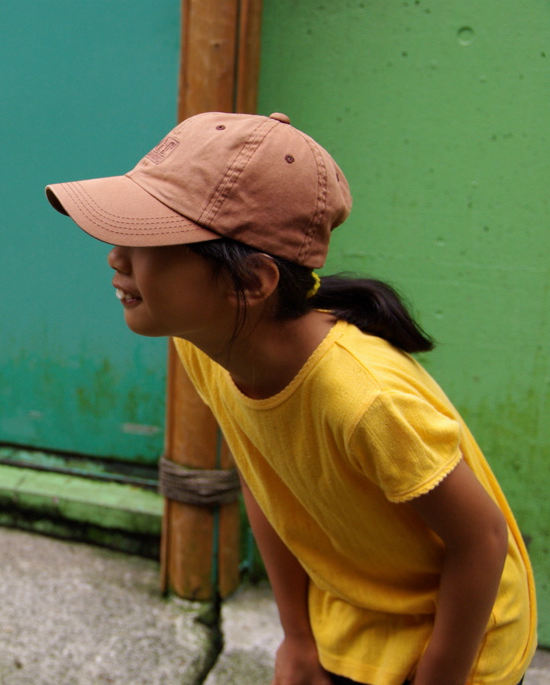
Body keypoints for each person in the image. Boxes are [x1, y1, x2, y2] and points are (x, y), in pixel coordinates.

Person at [45, 112, 536, 685]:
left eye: (149, 238)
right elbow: (268, 479)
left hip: (459, 642)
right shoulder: (208, 349)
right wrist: (298, 640)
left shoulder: (365, 399)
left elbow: (481, 540)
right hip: (353, 616)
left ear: (251, 283)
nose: (116, 255)